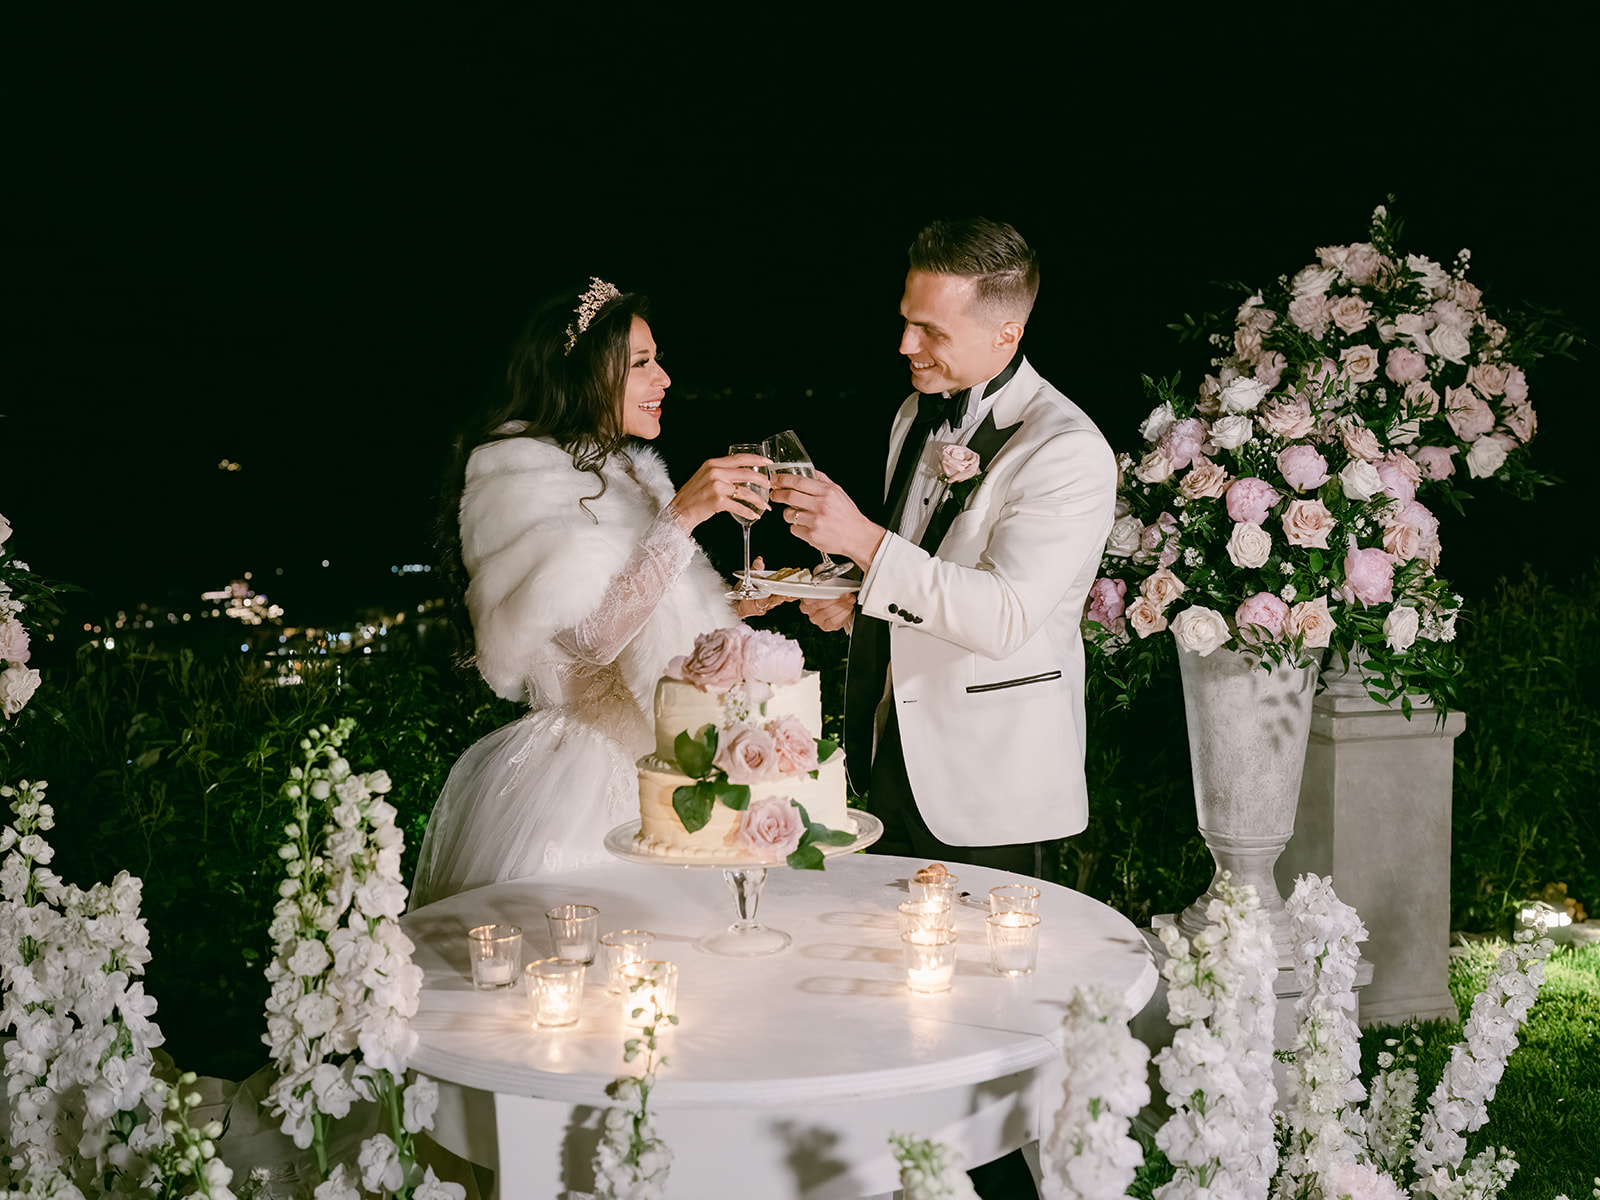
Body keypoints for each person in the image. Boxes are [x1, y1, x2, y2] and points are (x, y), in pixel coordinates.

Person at [410, 278, 777, 908]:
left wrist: (738, 606)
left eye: (657, 360)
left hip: (673, 764)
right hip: (584, 776)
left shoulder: (630, 471)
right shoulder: (515, 473)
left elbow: (650, 613)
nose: (663, 378)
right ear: (580, 373)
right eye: (641, 364)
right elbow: (590, 640)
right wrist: (682, 517)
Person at [773, 218, 1117, 883]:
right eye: (907, 320)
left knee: (992, 979)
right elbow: (927, 569)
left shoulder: (1066, 448)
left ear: (1007, 333)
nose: (905, 342)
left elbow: (1003, 616)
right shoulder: (913, 414)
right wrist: (851, 595)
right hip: (890, 752)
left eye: (931, 330)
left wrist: (863, 541)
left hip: (989, 780)